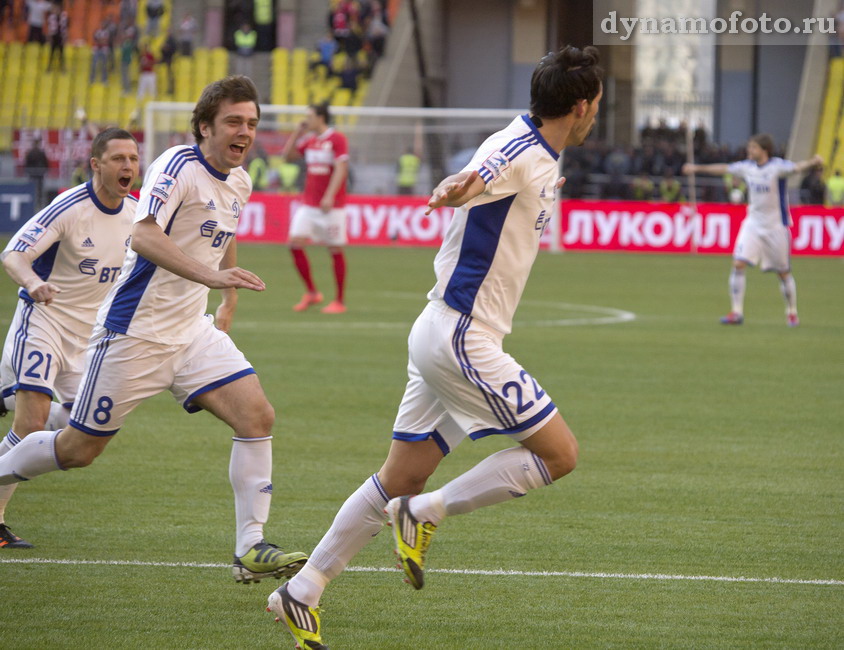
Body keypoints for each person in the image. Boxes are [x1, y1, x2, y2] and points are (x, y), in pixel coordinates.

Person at [266, 45, 602, 648]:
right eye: (596, 105)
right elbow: (482, 173)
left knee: (399, 476)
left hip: (438, 332)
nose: (596, 114)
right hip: (463, 338)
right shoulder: (520, 150)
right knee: (559, 455)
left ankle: (302, 590)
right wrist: (457, 185)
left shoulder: (540, 152)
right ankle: (426, 513)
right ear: (580, 106)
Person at [0, 76, 308, 585]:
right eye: (234, 121)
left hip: (191, 332)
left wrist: (226, 294)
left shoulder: (240, 181)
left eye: (252, 123)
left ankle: (250, 548)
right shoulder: (175, 167)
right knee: (79, 450)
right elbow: (143, 237)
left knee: (257, 415)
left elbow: (223, 238)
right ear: (205, 125)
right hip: (133, 334)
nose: (245, 132)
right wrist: (213, 278)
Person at [0, 128, 139, 550]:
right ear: (96, 165)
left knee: (87, 435)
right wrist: (32, 282)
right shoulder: (68, 206)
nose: (128, 167)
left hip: (88, 341)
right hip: (43, 320)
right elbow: (13, 254)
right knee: (31, 422)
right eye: (118, 159)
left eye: (133, 158)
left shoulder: (138, 214)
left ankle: (4, 395)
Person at [683, 134, 823, 327]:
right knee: (738, 264)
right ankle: (736, 312)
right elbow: (724, 168)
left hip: (776, 227)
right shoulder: (747, 167)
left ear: (764, 150)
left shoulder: (778, 167)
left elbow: (797, 168)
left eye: (753, 148)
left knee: (783, 273)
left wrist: (813, 162)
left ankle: (791, 312)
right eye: (749, 147)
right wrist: (696, 168)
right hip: (753, 225)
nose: (750, 151)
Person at [280, 103, 349, 314]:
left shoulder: (337, 139)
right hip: (309, 205)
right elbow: (287, 157)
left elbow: (341, 168)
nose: (306, 120)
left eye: (309, 117)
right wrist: (297, 133)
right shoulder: (310, 141)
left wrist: (329, 195)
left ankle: (339, 300)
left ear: (321, 118)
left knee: (334, 249)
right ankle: (312, 292)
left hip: (331, 206)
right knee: (294, 244)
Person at [24, 136, 50, 211]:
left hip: (34, 175)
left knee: (34, 189)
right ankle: (38, 205)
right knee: (39, 190)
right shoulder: (40, 153)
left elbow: (27, 164)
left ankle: (35, 204)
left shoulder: (31, 153)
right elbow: (46, 164)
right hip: (39, 175)